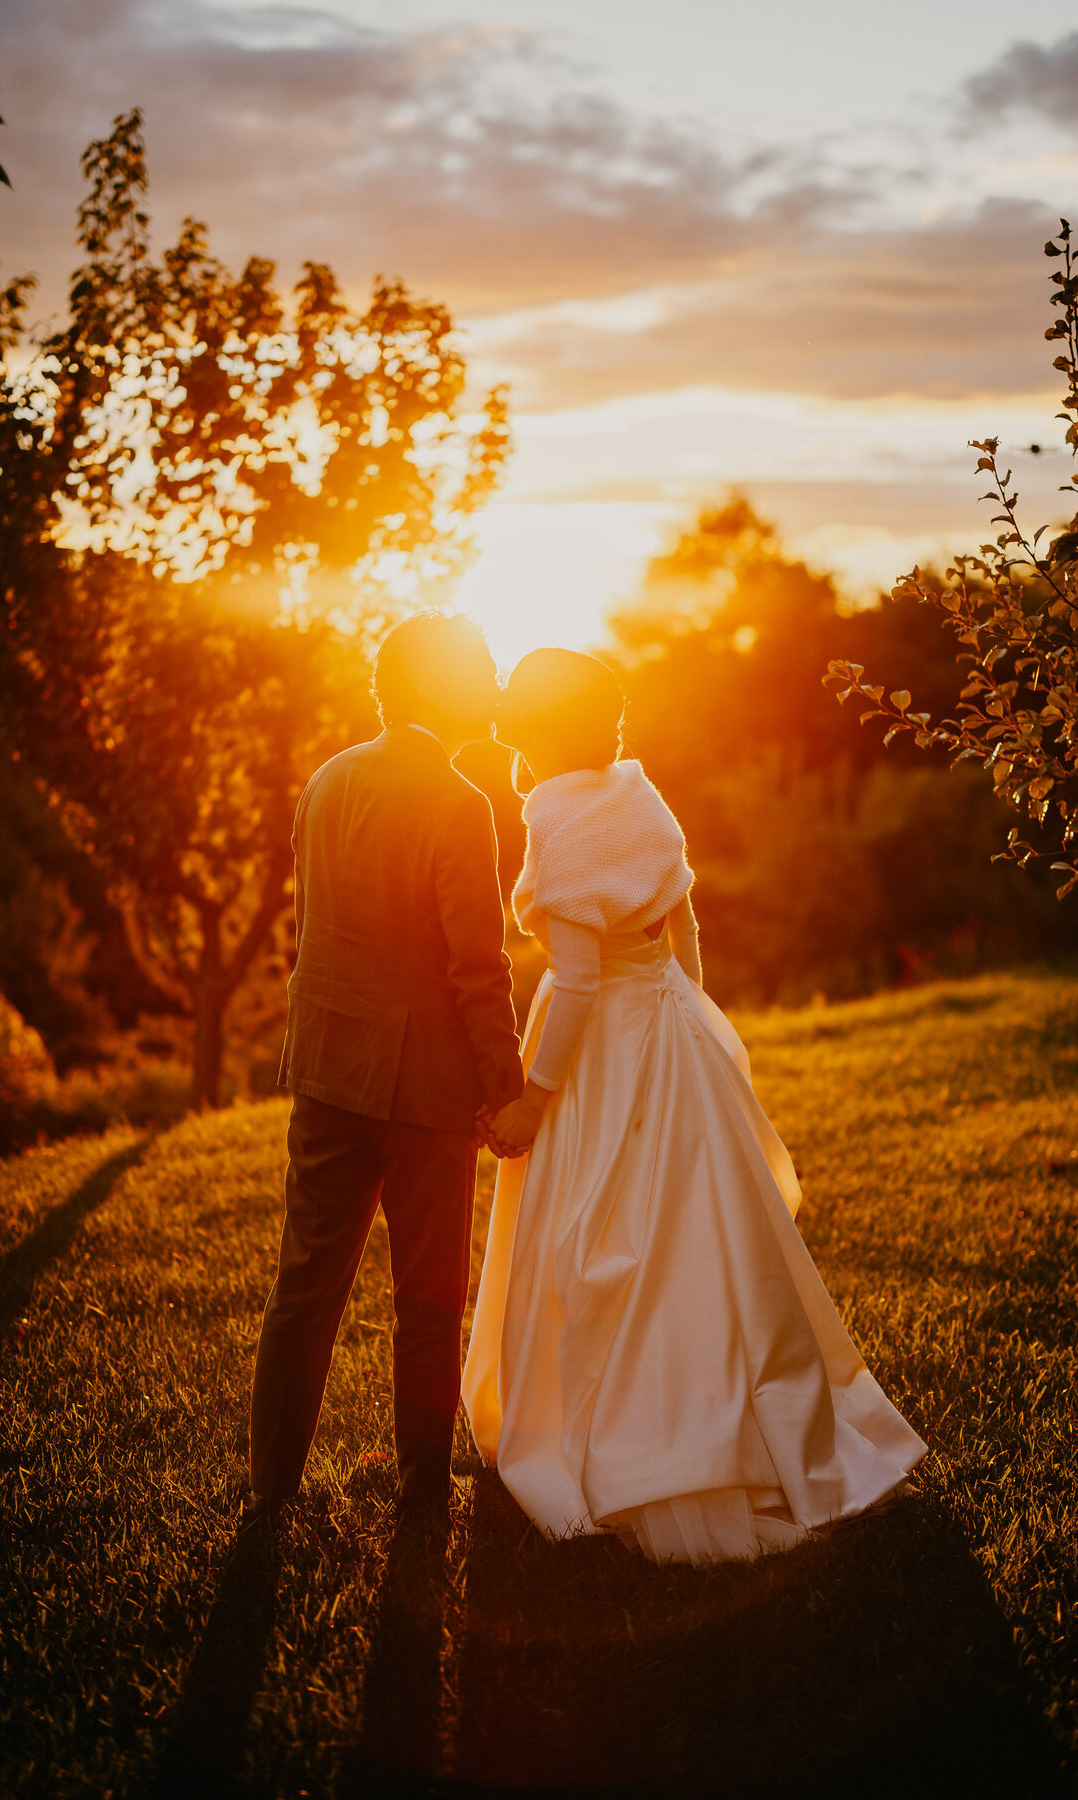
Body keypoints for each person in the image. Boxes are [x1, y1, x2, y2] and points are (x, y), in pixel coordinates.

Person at [462, 648, 926, 1563]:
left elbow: (582, 981)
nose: (503, 706)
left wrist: (534, 1100)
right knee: (704, 1236)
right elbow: (686, 929)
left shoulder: (555, 814)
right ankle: (751, 1424)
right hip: (671, 1027)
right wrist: (688, 1015)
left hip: (597, 1049)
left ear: (543, 723)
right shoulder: (638, 791)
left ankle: (629, 1442)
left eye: (517, 698)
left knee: (600, 1235)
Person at [245, 612, 523, 1529]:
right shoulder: (458, 802)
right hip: (423, 1087)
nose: (491, 686)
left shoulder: (326, 780)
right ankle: (421, 1488)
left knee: (305, 1282)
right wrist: (505, 1088)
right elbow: (476, 967)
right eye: (481, 670)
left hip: (327, 1065)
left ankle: (272, 1489)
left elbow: (316, 925)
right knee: (430, 1297)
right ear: (443, 690)